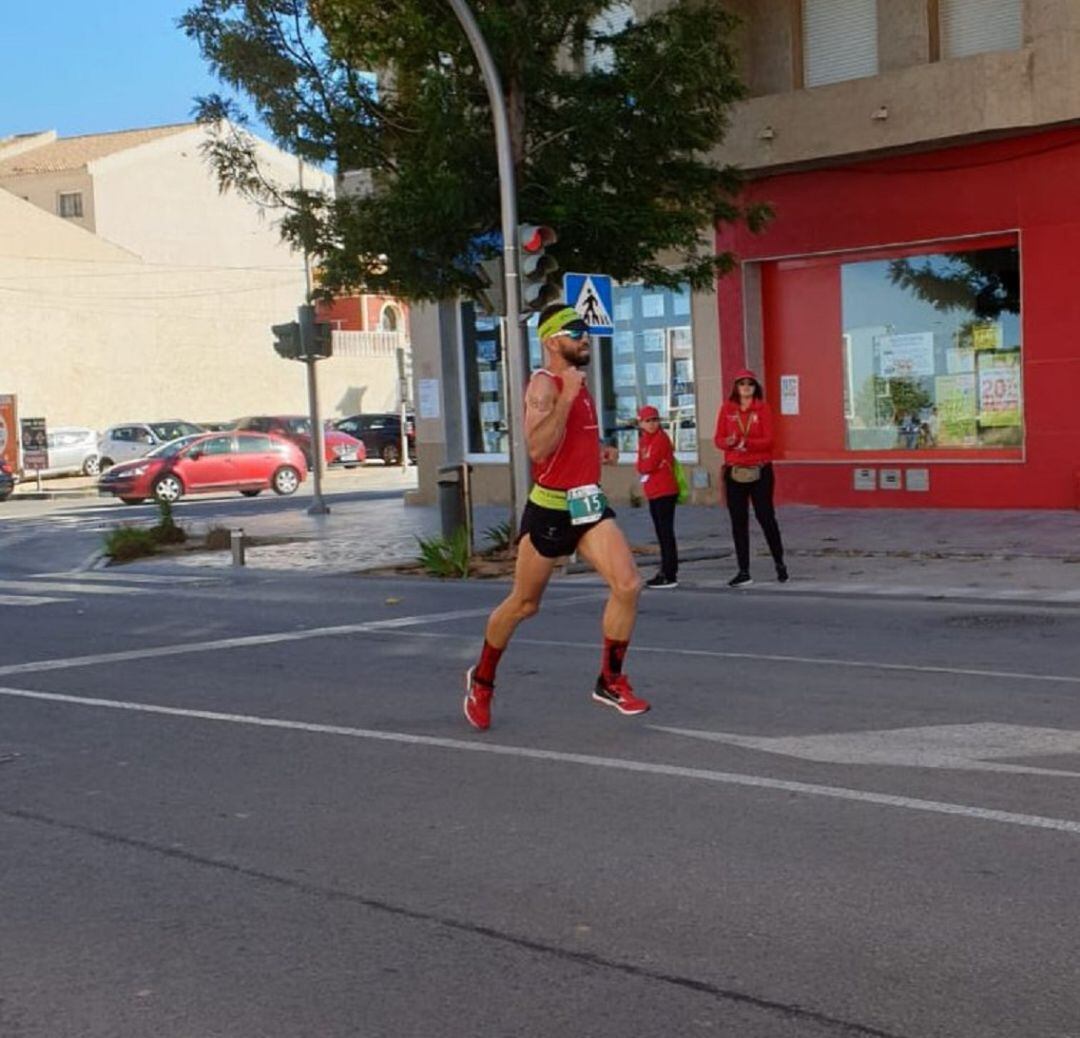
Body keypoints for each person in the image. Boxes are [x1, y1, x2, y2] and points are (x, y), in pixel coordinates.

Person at [463, 303, 650, 730]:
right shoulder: (545, 385)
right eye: (575, 331)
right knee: (524, 604)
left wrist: (597, 450)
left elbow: (568, 442)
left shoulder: (578, 382)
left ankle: (610, 680)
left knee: (628, 584)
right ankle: (482, 680)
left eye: (586, 331)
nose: (585, 338)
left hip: (587, 503)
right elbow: (538, 448)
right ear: (551, 340)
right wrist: (565, 396)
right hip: (551, 507)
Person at [714, 368, 787, 588]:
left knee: (766, 517)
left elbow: (769, 440)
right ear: (736, 387)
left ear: (755, 387)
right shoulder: (727, 408)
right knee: (738, 521)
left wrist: (748, 443)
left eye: (750, 384)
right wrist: (728, 442)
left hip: (760, 469)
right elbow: (718, 438)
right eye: (742, 383)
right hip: (735, 470)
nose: (746, 387)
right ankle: (743, 570)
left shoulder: (762, 408)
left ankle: (779, 562)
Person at [635, 405, 679, 589]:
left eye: (655, 420)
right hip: (653, 491)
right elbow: (640, 465)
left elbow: (648, 465)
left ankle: (669, 573)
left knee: (666, 533)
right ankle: (664, 570)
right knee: (661, 533)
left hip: (665, 490)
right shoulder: (644, 440)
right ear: (641, 423)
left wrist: (646, 465)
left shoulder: (660, 439)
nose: (652, 424)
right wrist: (645, 464)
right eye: (648, 421)